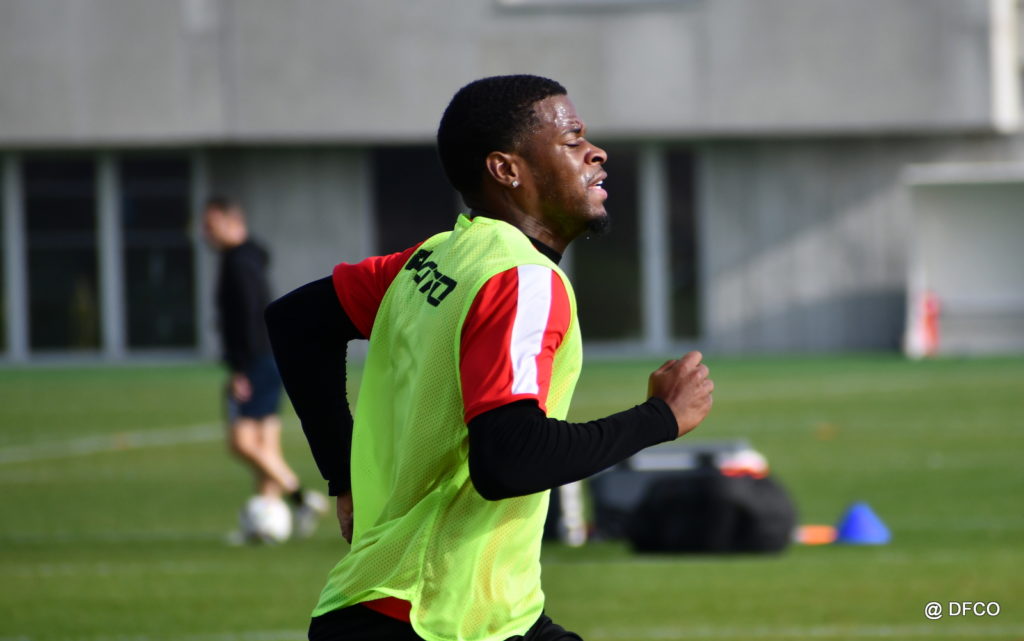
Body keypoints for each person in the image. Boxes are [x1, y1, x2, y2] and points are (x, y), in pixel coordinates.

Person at [264, 75, 714, 640]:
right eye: (572, 139)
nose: (596, 152)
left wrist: (343, 476)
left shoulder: (438, 257)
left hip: (446, 610)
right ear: (506, 169)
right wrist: (660, 418)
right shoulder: (522, 278)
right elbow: (509, 459)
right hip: (434, 618)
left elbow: (296, 322)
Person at [202, 196, 327, 539]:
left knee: (241, 442)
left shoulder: (238, 263)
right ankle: (265, 524)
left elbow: (247, 315)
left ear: (231, 221)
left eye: (210, 225)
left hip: (255, 360)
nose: (205, 233)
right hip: (271, 356)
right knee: (266, 447)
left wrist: (239, 367)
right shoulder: (251, 257)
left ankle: (300, 497)